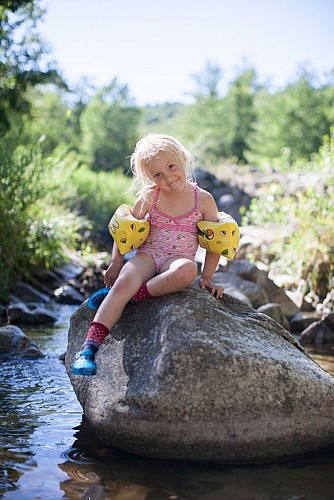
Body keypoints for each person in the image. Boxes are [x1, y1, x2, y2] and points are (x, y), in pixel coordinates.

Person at [71, 133, 224, 376]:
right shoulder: (150, 196)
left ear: (183, 159)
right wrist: (116, 262)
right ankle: (88, 350)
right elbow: (126, 230)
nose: (167, 177)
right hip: (149, 255)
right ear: (149, 178)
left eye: (171, 166)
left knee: (186, 271)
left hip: (177, 258)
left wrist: (207, 277)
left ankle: (134, 298)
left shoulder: (203, 200)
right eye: (157, 175)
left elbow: (216, 241)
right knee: (123, 282)